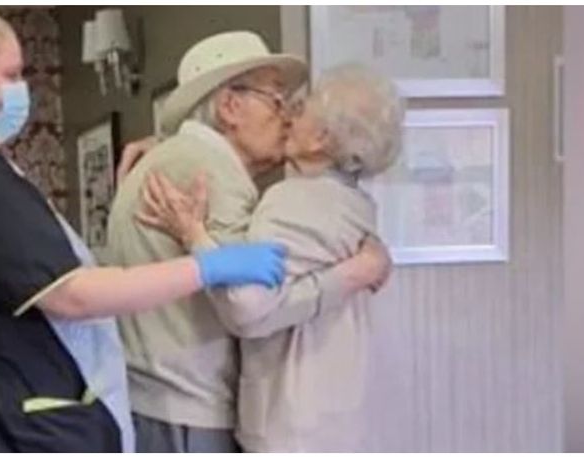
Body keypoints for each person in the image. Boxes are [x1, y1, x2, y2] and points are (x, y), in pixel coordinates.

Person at [0, 7, 287, 452]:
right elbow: (73, 294)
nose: (23, 90)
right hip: (3, 419)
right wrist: (208, 265)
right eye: (11, 74)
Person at [106, 32, 391, 452]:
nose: (287, 116)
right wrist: (353, 273)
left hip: (159, 403)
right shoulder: (211, 173)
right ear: (229, 107)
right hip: (190, 412)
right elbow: (249, 303)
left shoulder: (176, 159)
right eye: (277, 100)